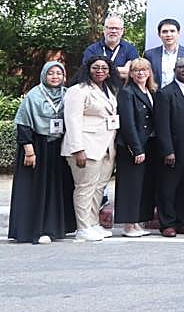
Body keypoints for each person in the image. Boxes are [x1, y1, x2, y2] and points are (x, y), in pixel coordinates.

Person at [8, 60, 75, 244]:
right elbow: (23, 123)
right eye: (51, 73)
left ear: (64, 76)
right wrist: (29, 149)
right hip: (36, 147)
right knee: (36, 188)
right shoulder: (34, 95)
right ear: (44, 75)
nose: (55, 77)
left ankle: (54, 228)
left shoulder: (67, 94)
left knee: (56, 187)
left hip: (59, 147)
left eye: (59, 74)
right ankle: (33, 230)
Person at [63, 55, 120, 242]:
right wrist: (77, 149)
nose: (100, 71)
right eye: (96, 67)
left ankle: (93, 223)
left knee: (99, 188)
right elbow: (72, 120)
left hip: (106, 148)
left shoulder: (109, 90)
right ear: (88, 69)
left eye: (104, 68)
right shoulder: (77, 91)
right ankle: (83, 227)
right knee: (84, 188)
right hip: (86, 147)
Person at [153, 57, 184, 237]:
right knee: (168, 187)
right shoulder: (165, 93)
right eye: (181, 67)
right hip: (173, 149)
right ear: (175, 69)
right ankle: (167, 224)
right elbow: (162, 125)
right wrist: (167, 150)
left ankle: (182, 221)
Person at [114, 57, 157, 237]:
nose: (141, 73)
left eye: (144, 70)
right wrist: (136, 148)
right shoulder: (127, 92)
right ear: (131, 74)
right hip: (132, 147)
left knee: (142, 185)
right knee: (130, 185)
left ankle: (138, 222)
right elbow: (128, 123)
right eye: (137, 70)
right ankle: (129, 225)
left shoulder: (151, 91)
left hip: (149, 144)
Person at [83, 15, 139, 82]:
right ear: (104, 29)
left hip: (122, 91)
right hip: (98, 90)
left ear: (122, 31)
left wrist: (102, 71)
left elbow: (132, 73)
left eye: (117, 28)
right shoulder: (92, 50)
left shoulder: (130, 49)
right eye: (111, 28)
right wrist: (120, 70)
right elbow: (88, 72)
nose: (114, 31)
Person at [144, 18, 184, 88]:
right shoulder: (149, 54)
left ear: (178, 33)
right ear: (159, 34)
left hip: (180, 96)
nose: (168, 35)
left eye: (172, 31)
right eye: (164, 31)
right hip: (156, 95)